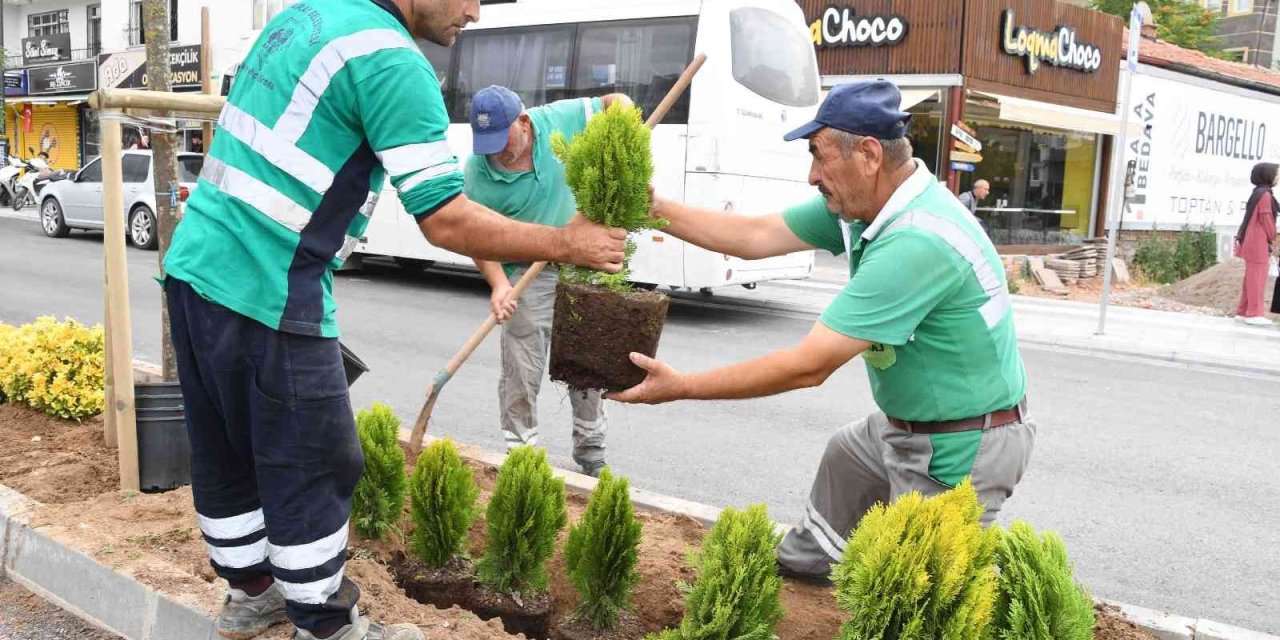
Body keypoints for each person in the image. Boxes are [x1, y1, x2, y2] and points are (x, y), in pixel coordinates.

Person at [160, 0, 626, 638]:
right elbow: (444, 217)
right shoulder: (392, 59)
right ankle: (326, 625)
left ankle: (252, 594)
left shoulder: (305, 16)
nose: (475, 13)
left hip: (194, 270)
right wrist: (566, 243)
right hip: (269, 286)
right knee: (314, 459)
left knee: (228, 451)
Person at [609, 81, 1035, 582]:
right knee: (848, 455)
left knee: (913, 596)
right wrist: (653, 209)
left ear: (869, 155)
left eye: (819, 155)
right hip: (907, 425)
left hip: (962, 445)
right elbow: (755, 235)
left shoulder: (917, 240)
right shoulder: (869, 206)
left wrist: (681, 387)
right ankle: (809, 561)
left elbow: (808, 366)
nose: (811, 175)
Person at [465, 86, 631, 477]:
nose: (495, 153)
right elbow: (474, 237)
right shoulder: (477, 172)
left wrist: (625, 138)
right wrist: (498, 284)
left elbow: (618, 103)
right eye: (487, 144)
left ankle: (591, 451)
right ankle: (521, 453)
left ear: (524, 123)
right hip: (526, 273)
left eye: (502, 141)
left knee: (589, 363)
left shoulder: (559, 120)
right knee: (521, 368)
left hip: (583, 264)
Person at [1235, 162, 1278, 326]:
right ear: (1268, 175)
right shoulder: (1265, 195)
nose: (1278, 178)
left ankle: (1243, 311)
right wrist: (1273, 236)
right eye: (1276, 174)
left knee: (1251, 278)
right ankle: (1254, 313)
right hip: (1258, 242)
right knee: (1257, 278)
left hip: (1251, 240)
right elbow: (1266, 218)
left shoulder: (1258, 193)